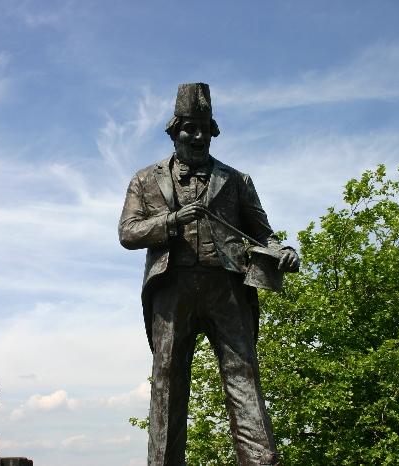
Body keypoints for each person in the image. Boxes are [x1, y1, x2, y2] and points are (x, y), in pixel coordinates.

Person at [118, 83, 299, 466]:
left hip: (227, 290)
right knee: (167, 384)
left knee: (243, 378)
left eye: (205, 129)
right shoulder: (145, 180)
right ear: (175, 132)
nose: (198, 137)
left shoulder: (236, 180)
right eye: (190, 128)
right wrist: (171, 221)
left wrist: (283, 251)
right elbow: (128, 232)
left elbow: (264, 234)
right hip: (172, 290)